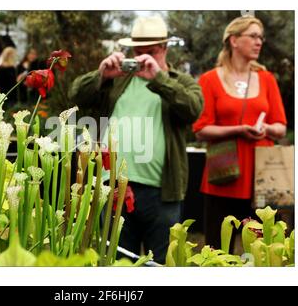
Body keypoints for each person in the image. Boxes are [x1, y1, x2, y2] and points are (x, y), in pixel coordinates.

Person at [69, 15, 204, 263]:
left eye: (149, 52)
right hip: (114, 187)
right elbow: (76, 94)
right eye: (137, 52)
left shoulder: (179, 81)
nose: (142, 58)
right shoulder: (117, 80)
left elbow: (194, 109)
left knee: (162, 263)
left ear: (164, 48)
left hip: (161, 192)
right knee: (116, 261)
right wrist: (101, 75)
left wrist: (159, 79)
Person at [192, 16, 287, 252]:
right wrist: (238, 130)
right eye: (253, 36)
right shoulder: (209, 79)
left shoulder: (267, 79)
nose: (259, 42)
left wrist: (265, 129)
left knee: (264, 250)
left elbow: (281, 127)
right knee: (217, 248)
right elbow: (200, 129)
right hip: (223, 176)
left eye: (260, 37)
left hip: (263, 178)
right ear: (234, 40)